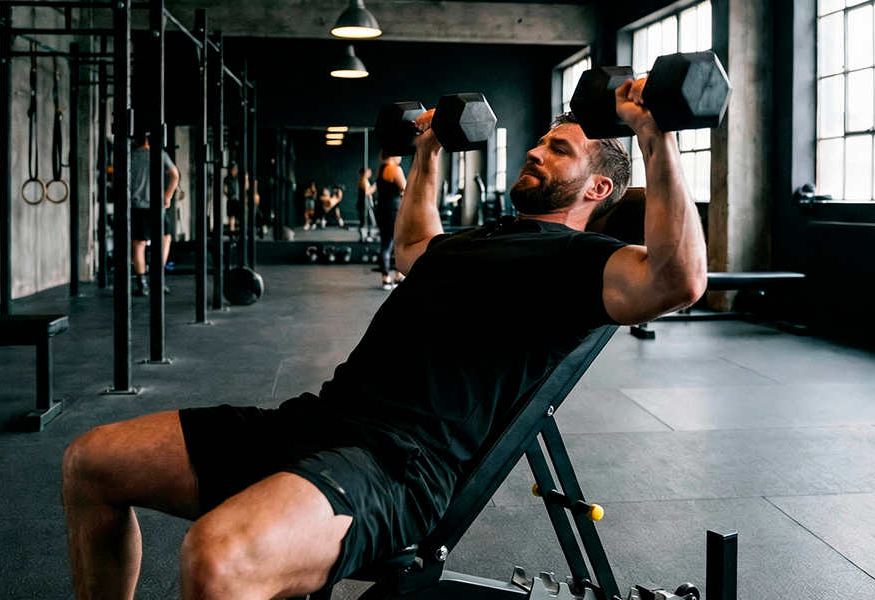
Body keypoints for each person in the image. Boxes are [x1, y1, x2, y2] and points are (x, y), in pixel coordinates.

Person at [61, 77, 707, 600]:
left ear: (598, 187)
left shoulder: (584, 260)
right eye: (540, 142)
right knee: (92, 463)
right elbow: (411, 247)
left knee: (218, 558)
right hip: (317, 421)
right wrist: (427, 150)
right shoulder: (476, 238)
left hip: (395, 464)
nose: (536, 152)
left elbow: (677, 281)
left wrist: (655, 133)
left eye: (558, 150)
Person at [130, 131, 179, 297]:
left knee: (139, 244)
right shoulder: (159, 154)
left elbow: (118, 180)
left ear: (136, 141)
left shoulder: (129, 156)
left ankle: (142, 284)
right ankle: (158, 279)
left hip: (136, 206)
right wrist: (167, 197)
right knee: (165, 239)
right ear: (149, 141)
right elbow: (174, 175)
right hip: (156, 206)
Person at [374, 150, 407, 289]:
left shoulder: (380, 169)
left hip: (381, 211)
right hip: (393, 212)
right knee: (398, 244)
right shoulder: (395, 169)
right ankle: (398, 276)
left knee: (386, 245)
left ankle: (386, 278)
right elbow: (405, 189)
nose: (401, 157)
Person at [357, 167, 377, 241]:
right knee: (369, 221)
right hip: (365, 205)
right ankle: (366, 236)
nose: (370, 173)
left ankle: (367, 236)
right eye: (368, 171)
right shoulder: (363, 181)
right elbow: (367, 192)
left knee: (368, 221)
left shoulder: (365, 181)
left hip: (366, 204)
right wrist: (375, 186)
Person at [224, 163, 242, 232]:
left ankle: (238, 231)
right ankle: (232, 232)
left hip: (237, 199)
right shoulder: (228, 179)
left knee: (238, 216)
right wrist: (229, 194)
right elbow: (225, 189)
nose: (235, 171)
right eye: (234, 169)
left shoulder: (238, 178)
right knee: (231, 216)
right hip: (231, 199)